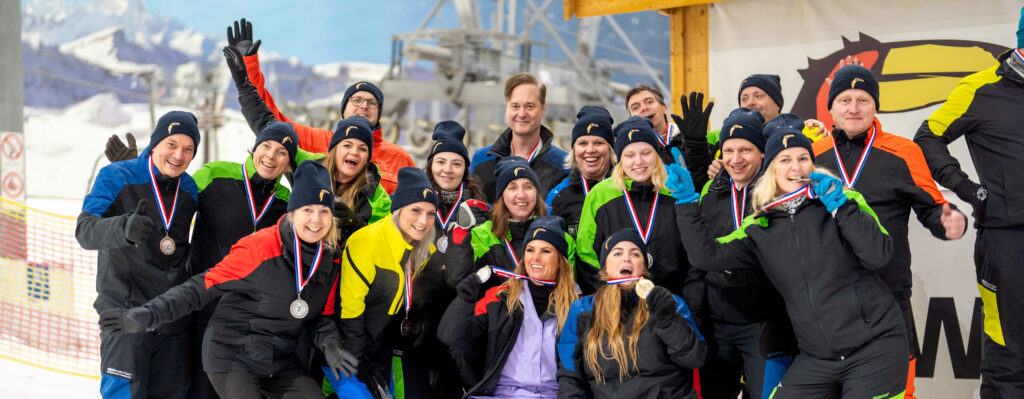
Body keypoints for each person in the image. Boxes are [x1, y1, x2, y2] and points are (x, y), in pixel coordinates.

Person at [671, 127, 908, 398]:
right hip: (817, 358)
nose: (796, 166)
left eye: (803, 158)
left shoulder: (845, 199)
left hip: (875, 349)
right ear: (772, 168)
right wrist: (687, 202)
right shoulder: (760, 225)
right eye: (785, 160)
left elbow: (878, 254)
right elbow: (707, 256)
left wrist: (841, 208)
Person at [98, 160, 348, 399]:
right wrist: (147, 314)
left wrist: (330, 344)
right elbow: (198, 289)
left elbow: (320, 316)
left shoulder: (330, 259)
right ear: (292, 213)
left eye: (323, 211)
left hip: (279, 358)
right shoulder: (260, 248)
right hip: (232, 354)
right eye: (307, 210)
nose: (316, 220)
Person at [813, 64, 967, 398]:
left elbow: (931, 205)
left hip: (887, 291)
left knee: (898, 390)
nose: (854, 108)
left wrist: (947, 220)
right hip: (825, 297)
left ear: (876, 106)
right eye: (845, 99)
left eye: (864, 99)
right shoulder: (812, 156)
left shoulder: (903, 152)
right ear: (831, 108)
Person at [913, 12, 1024, 397]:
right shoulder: (981, 88)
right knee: (1010, 349)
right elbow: (927, 136)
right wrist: (970, 190)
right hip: (1008, 240)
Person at [77, 111, 201, 399]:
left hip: (172, 319)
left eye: (188, 149)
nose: (178, 155)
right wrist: (124, 227)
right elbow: (85, 231)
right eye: (171, 144)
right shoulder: (116, 176)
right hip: (124, 313)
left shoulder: (190, 190)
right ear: (155, 143)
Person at [185, 121, 308, 399]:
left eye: (282, 152)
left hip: (248, 318)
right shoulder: (216, 175)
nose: (271, 156)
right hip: (202, 304)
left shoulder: (286, 201)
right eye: (266, 146)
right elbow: (173, 203)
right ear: (254, 148)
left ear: (289, 162)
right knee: (198, 388)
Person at [222, 18, 415, 193]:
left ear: (379, 113)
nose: (364, 105)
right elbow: (269, 121)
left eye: (372, 102)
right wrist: (248, 66)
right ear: (343, 109)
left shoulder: (398, 157)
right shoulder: (314, 141)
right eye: (356, 100)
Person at [687, 108, 793, 399]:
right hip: (719, 323)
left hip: (765, 323)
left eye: (746, 149)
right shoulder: (711, 193)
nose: (735, 159)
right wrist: (697, 311)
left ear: (762, 153)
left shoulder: (777, 193)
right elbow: (697, 259)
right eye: (728, 150)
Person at [438, 215, 578, 398]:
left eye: (545, 251)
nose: (535, 258)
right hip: (505, 393)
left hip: (556, 394)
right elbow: (450, 337)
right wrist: (464, 301)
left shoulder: (578, 306)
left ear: (560, 260)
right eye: (530, 250)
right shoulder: (499, 298)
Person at [557, 229, 707, 398]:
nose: (627, 258)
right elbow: (570, 375)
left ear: (643, 266)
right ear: (604, 266)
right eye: (617, 253)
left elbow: (694, 358)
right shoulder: (582, 310)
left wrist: (669, 320)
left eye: (635, 254)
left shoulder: (668, 303)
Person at [330, 167, 440, 398]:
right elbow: (350, 311)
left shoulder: (424, 247)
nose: (424, 221)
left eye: (431, 213)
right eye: (416, 210)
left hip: (382, 344)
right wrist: (362, 363)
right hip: (344, 348)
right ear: (399, 210)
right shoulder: (366, 242)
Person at [575, 116, 689, 297]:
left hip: (671, 301)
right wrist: (608, 296)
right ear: (620, 160)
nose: (638, 162)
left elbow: (692, 251)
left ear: (657, 155)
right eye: (629, 155)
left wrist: (688, 302)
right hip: (616, 303)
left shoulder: (675, 190)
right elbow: (586, 254)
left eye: (646, 153)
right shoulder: (601, 194)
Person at [443, 156, 561, 289]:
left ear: (537, 194)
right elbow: (457, 280)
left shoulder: (556, 234)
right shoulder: (483, 234)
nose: (521, 195)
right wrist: (462, 231)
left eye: (528, 187)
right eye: (512, 188)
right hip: (495, 308)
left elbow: (567, 284)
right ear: (502, 196)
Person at [470, 73, 569, 202]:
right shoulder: (481, 160)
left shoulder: (563, 165)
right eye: (515, 106)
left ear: (543, 109)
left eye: (529, 106)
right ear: (507, 108)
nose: (522, 114)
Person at [545, 106, 615, 238]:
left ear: (610, 149)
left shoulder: (626, 188)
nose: (590, 150)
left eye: (598, 143)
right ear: (574, 150)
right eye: (582, 143)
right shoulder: (558, 198)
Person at [323, 115, 392, 244]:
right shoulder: (313, 171)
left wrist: (354, 224)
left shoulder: (377, 196)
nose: (354, 152)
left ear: (367, 158)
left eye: (362, 149)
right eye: (347, 145)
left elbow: (379, 242)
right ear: (335, 149)